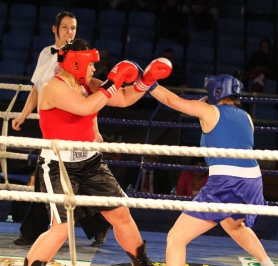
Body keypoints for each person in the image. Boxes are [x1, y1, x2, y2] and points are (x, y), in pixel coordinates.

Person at [24, 39, 172, 266]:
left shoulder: (89, 84)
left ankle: (142, 263)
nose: (94, 68)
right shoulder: (52, 87)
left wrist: (146, 81)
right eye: (91, 64)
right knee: (62, 228)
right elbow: (87, 107)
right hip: (59, 166)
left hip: (90, 162)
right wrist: (114, 79)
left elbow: (122, 98)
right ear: (75, 64)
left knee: (121, 214)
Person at [147, 74, 275, 265]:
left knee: (176, 237)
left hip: (226, 180)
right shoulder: (247, 117)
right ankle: (267, 263)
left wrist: (148, 83)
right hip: (253, 180)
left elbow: (171, 100)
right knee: (233, 226)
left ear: (216, 91)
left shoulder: (208, 110)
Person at [11, 11, 112, 248]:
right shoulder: (46, 54)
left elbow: (88, 95)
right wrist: (24, 114)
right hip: (51, 119)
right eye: (65, 27)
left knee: (54, 177)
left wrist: (94, 130)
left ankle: (32, 232)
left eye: (73, 28)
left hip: (74, 123)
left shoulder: (79, 58)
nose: (69, 32)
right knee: (51, 178)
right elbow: (37, 88)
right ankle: (94, 225)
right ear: (54, 29)